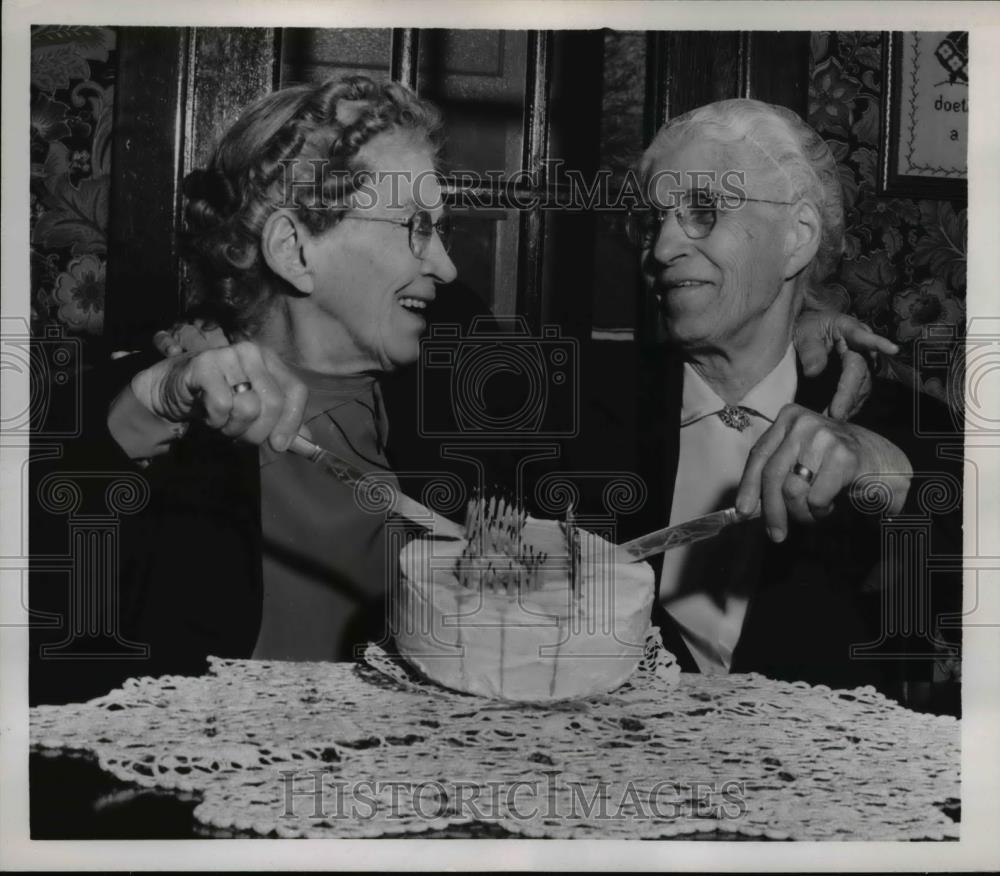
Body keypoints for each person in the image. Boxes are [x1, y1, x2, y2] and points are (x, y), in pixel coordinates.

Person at [568, 98, 960, 703]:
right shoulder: (575, 407)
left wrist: (897, 475)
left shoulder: (906, 427)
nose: (663, 247)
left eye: (703, 211)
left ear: (797, 238)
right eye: (653, 221)